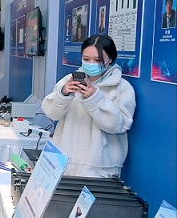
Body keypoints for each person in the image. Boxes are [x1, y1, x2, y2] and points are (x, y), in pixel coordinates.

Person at [42, 34, 136, 177]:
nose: (91, 63)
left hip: (98, 168)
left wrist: (95, 98)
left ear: (110, 59)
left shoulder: (122, 87)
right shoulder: (69, 80)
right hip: (64, 163)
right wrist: (63, 94)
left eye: (97, 60)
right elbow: (52, 113)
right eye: (86, 59)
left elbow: (118, 126)